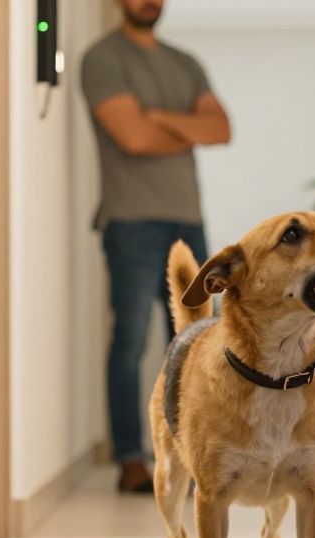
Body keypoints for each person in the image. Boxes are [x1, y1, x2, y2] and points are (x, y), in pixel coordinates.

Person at [81, 0, 231, 492]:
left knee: (202, 341)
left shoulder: (184, 63)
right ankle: (130, 459)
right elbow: (134, 139)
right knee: (130, 342)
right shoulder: (104, 59)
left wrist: (159, 117)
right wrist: (186, 128)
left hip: (188, 222)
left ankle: (198, 453)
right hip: (131, 224)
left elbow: (221, 129)